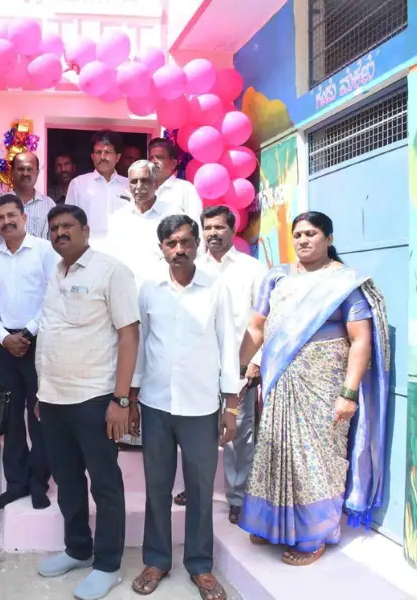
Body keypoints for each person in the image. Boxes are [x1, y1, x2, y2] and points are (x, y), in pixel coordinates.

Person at [238, 211, 390, 566]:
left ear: (329, 239)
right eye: (298, 234)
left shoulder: (345, 283)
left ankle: (314, 535)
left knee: (315, 461)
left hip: (323, 388)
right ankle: (270, 524)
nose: (304, 240)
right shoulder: (277, 277)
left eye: (312, 233)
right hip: (279, 384)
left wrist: (349, 393)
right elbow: (257, 326)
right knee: (276, 454)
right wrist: (236, 367)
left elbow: (360, 340)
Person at [130, 214, 238, 600]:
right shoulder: (149, 289)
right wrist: (131, 397)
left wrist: (231, 406)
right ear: (161, 249)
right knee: (157, 487)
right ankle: (157, 560)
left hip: (202, 406)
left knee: (200, 488)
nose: (179, 250)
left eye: (185, 242)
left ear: (197, 244)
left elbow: (228, 345)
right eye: (171, 243)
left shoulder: (215, 288)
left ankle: (200, 566)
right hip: (156, 404)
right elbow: (140, 345)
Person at [35, 204, 140, 600]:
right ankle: (78, 548)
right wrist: (43, 393)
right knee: (67, 481)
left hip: (95, 398)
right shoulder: (55, 273)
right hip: (55, 398)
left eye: (67, 226)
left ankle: (108, 564)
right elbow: (50, 334)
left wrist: (122, 400)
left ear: (86, 229)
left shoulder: (111, 271)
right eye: (54, 228)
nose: (60, 232)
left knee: (105, 485)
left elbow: (129, 335)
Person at [171, 206, 267, 524]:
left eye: (219, 227)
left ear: (232, 229)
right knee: (194, 431)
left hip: (239, 368)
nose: (213, 233)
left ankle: (238, 497)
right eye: (208, 227)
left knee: (239, 434)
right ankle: (196, 487)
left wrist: (255, 362)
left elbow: (265, 319)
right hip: (197, 367)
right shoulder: (191, 267)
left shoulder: (251, 269)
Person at [0, 194, 58, 510]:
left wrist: (28, 333)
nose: (6, 222)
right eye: (0, 218)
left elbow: (54, 295)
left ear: (24, 217)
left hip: (37, 343)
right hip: (4, 348)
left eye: (12, 215)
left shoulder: (44, 251)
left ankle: (39, 483)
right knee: (11, 419)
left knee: (39, 416)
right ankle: (16, 484)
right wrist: (2, 337)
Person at [103, 160, 202, 288]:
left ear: (155, 184)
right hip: (127, 290)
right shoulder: (118, 219)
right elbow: (111, 257)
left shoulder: (173, 214)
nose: (139, 186)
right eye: (134, 182)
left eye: (144, 181)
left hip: (164, 290)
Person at [0, 151, 55, 256]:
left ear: (37, 172)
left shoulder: (49, 205)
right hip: (5, 266)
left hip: (38, 268)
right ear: (12, 172)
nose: (25, 173)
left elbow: (53, 246)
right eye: (20, 169)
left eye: (29, 169)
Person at [65, 130, 130, 240]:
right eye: (98, 152)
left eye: (107, 152)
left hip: (121, 252)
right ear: (92, 156)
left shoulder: (129, 185)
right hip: (88, 252)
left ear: (118, 157)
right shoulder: (78, 184)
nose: (103, 157)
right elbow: (68, 221)